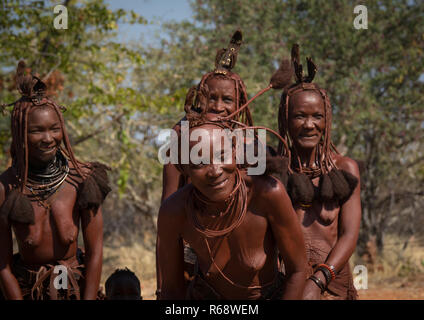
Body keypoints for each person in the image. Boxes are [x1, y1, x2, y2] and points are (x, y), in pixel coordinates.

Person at [157, 114, 307, 300]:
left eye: (222, 155)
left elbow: (298, 270)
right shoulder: (174, 211)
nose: (215, 171)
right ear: (184, 167)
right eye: (199, 162)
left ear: (235, 150)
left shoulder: (267, 193)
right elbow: (172, 291)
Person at [0, 62, 110, 300]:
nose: (48, 138)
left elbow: (95, 251)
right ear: (20, 133)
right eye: (37, 131)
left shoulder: (81, 179)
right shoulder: (5, 187)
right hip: (26, 291)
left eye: (54, 129)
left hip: (75, 290)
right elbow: (2, 264)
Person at [276, 45, 361, 300]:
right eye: (300, 116)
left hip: (332, 286)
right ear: (285, 120)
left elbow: (349, 235)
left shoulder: (345, 168)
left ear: (326, 121)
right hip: (282, 285)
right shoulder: (274, 169)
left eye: (317, 116)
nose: (309, 125)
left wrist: (317, 282)